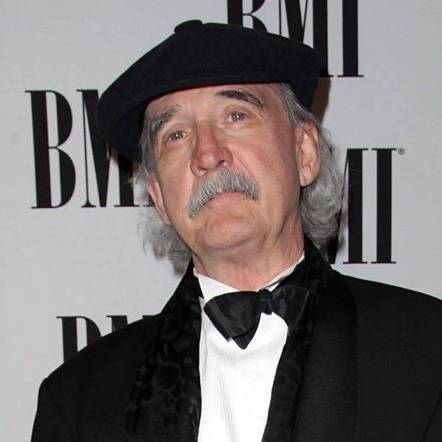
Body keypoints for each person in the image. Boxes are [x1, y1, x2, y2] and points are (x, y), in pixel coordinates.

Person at [31, 20, 441, 442]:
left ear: (304, 152)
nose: (207, 154)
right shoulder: (77, 400)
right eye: (175, 135)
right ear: (158, 196)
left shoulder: (428, 352)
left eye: (236, 115)